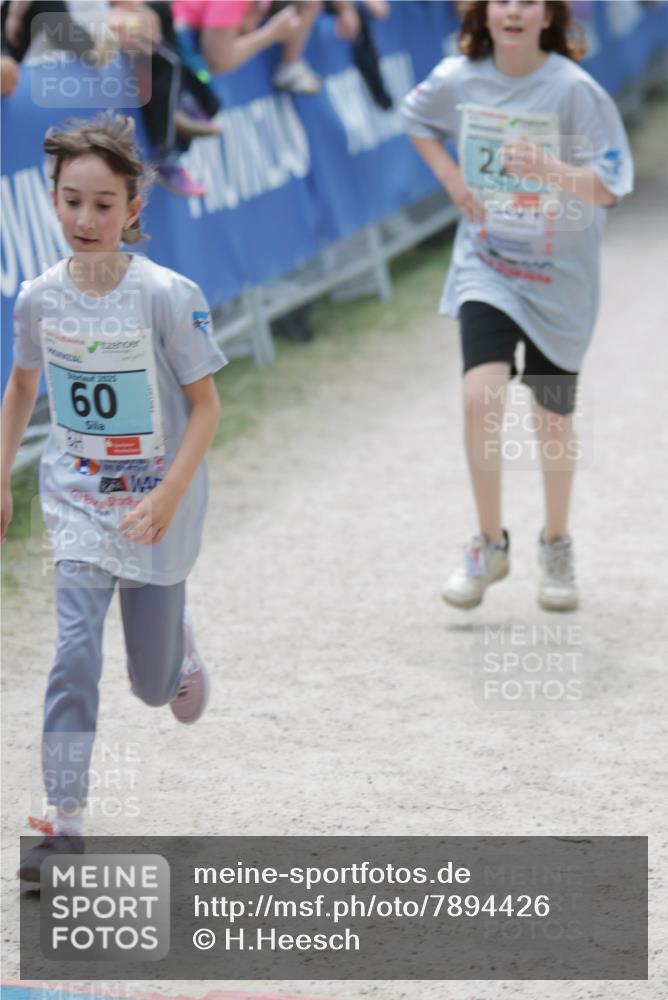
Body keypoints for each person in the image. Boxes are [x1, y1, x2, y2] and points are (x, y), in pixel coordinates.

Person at [0, 113, 226, 884]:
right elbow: (23, 384)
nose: (84, 220)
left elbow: (207, 407)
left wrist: (168, 492)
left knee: (153, 685)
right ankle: (65, 824)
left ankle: (180, 648)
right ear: (51, 199)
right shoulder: (38, 298)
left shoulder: (167, 295)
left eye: (103, 204)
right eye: (70, 201)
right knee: (71, 656)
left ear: (134, 207)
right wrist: (0, 475)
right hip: (78, 504)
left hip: (156, 506)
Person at [401, 0, 632, 612]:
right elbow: (416, 118)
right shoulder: (457, 77)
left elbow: (610, 184)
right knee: (481, 396)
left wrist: (549, 168)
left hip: (561, 278)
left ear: (548, 15)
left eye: (528, 0)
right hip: (490, 262)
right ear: (484, 11)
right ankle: (489, 544)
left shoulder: (574, 90)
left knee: (551, 419)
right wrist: (454, 181)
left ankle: (555, 543)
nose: (513, 10)